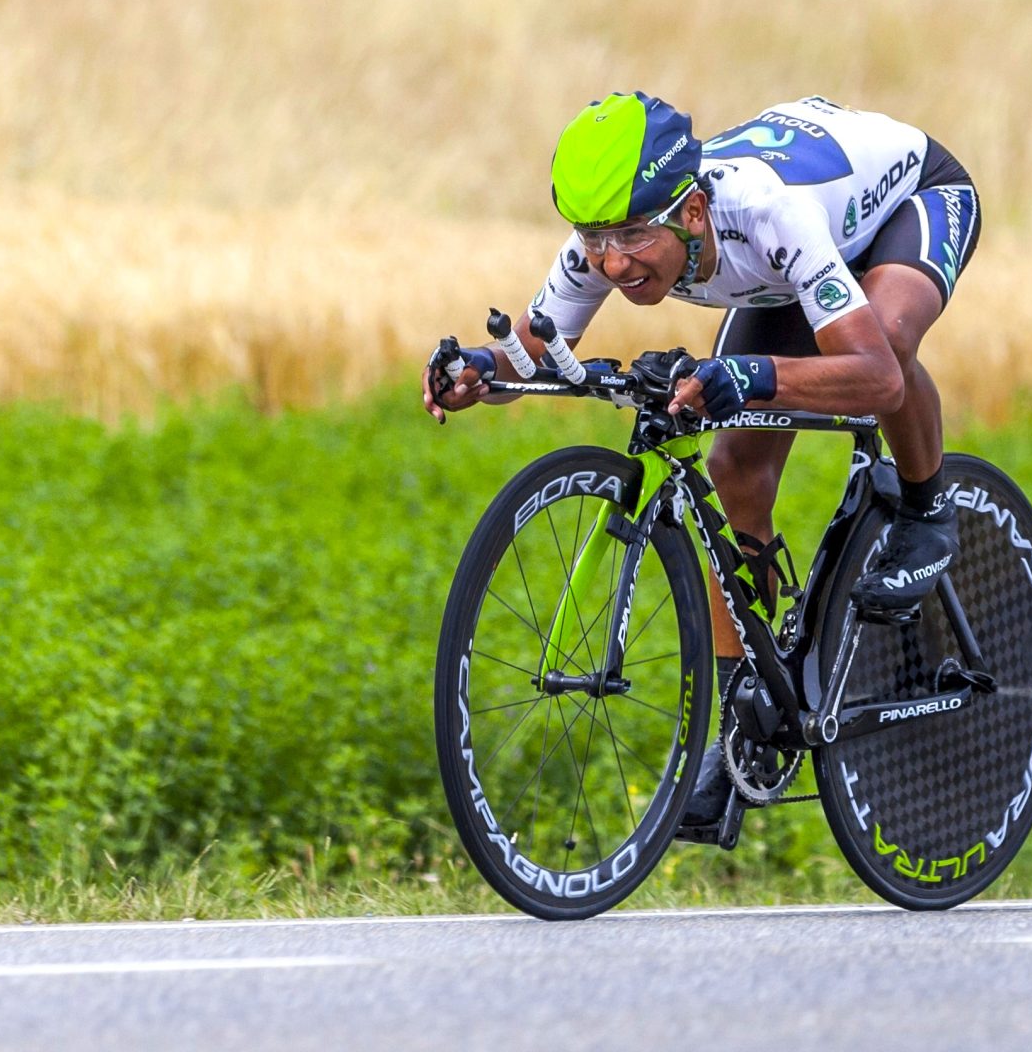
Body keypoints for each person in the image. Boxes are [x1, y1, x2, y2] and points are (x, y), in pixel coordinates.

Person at [420, 91, 981, 831]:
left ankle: (925, 510)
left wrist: (753, 377)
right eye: (592, 238)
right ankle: (744, 727)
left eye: (628, 237)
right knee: (735, 468)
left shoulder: (761, 212)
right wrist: (482, 372)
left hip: (912, 200)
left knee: (885, 339)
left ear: (689, 214)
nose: (611, 261)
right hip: (786, 268)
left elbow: (875, 377)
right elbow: (536, 349)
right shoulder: (614, 241)